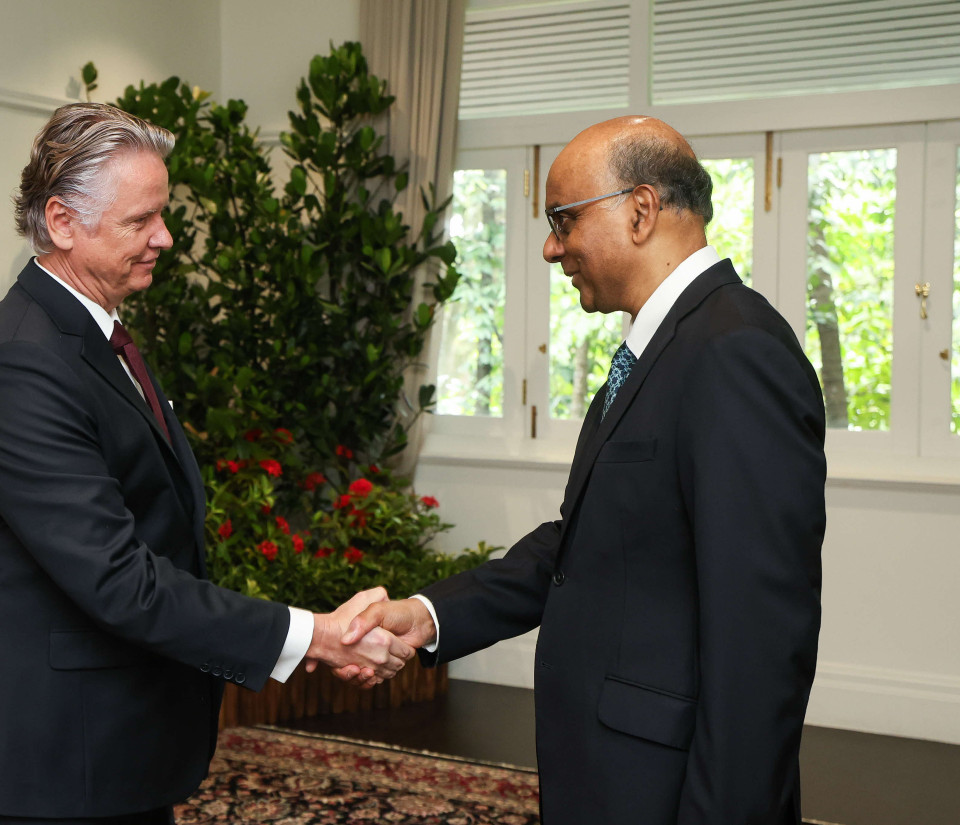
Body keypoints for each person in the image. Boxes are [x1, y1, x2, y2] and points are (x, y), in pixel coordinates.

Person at [343, 116, 827, 824]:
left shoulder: (734, 352)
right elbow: (586, 544)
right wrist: (428, 615)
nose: (551, 247)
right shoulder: (665, 345)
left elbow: (761, 642)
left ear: (640, 210)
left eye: (563, 219)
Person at [0, 103, 411, 825]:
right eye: (141, 220)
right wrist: (314, 635)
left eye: (162, 214)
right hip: (58, 760)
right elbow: (120, 581)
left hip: (115, 740)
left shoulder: (93, 336)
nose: (164, 236)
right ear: (62, 221)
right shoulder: (19, 367)